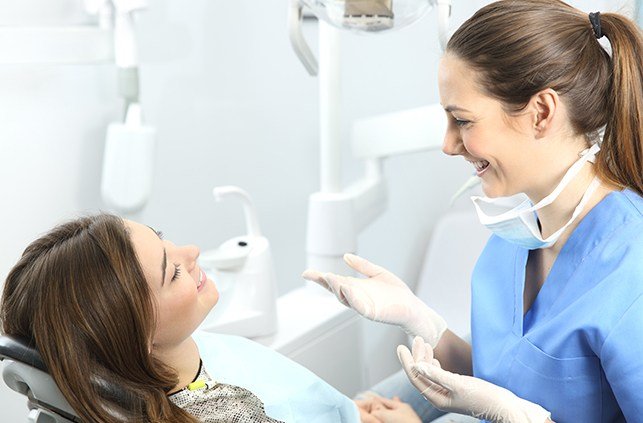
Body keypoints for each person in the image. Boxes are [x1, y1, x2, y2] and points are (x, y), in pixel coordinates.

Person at [303, 1, 643, 422]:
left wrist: (519, 417)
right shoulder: (515, 236)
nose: (448, 144)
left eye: (461, 120)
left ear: (541, 113)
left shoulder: (631, 267)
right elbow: (499, 381)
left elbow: (510, 404)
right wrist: (423, 322)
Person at [0, 214, 368, 423]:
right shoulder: (229, 413)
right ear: (139, 337)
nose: (191, 252)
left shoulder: (173, 367)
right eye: (172, 272)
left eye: (163, 240)